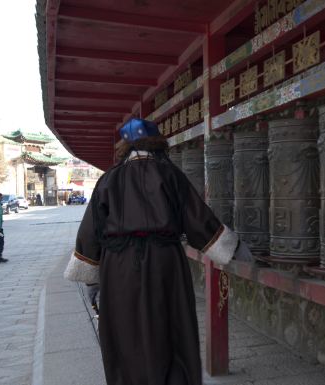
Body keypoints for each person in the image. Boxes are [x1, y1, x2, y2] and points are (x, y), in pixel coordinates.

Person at [64, 118, 252, 385]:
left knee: (125, 331)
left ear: (125, 146)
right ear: (156, 143)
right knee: (170, 329)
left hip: (119, 267)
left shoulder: (108, 180)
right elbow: (198, 219)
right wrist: (233, 248)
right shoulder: (170, 174)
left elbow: (90, 231)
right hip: (166, 263)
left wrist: (92, 279)